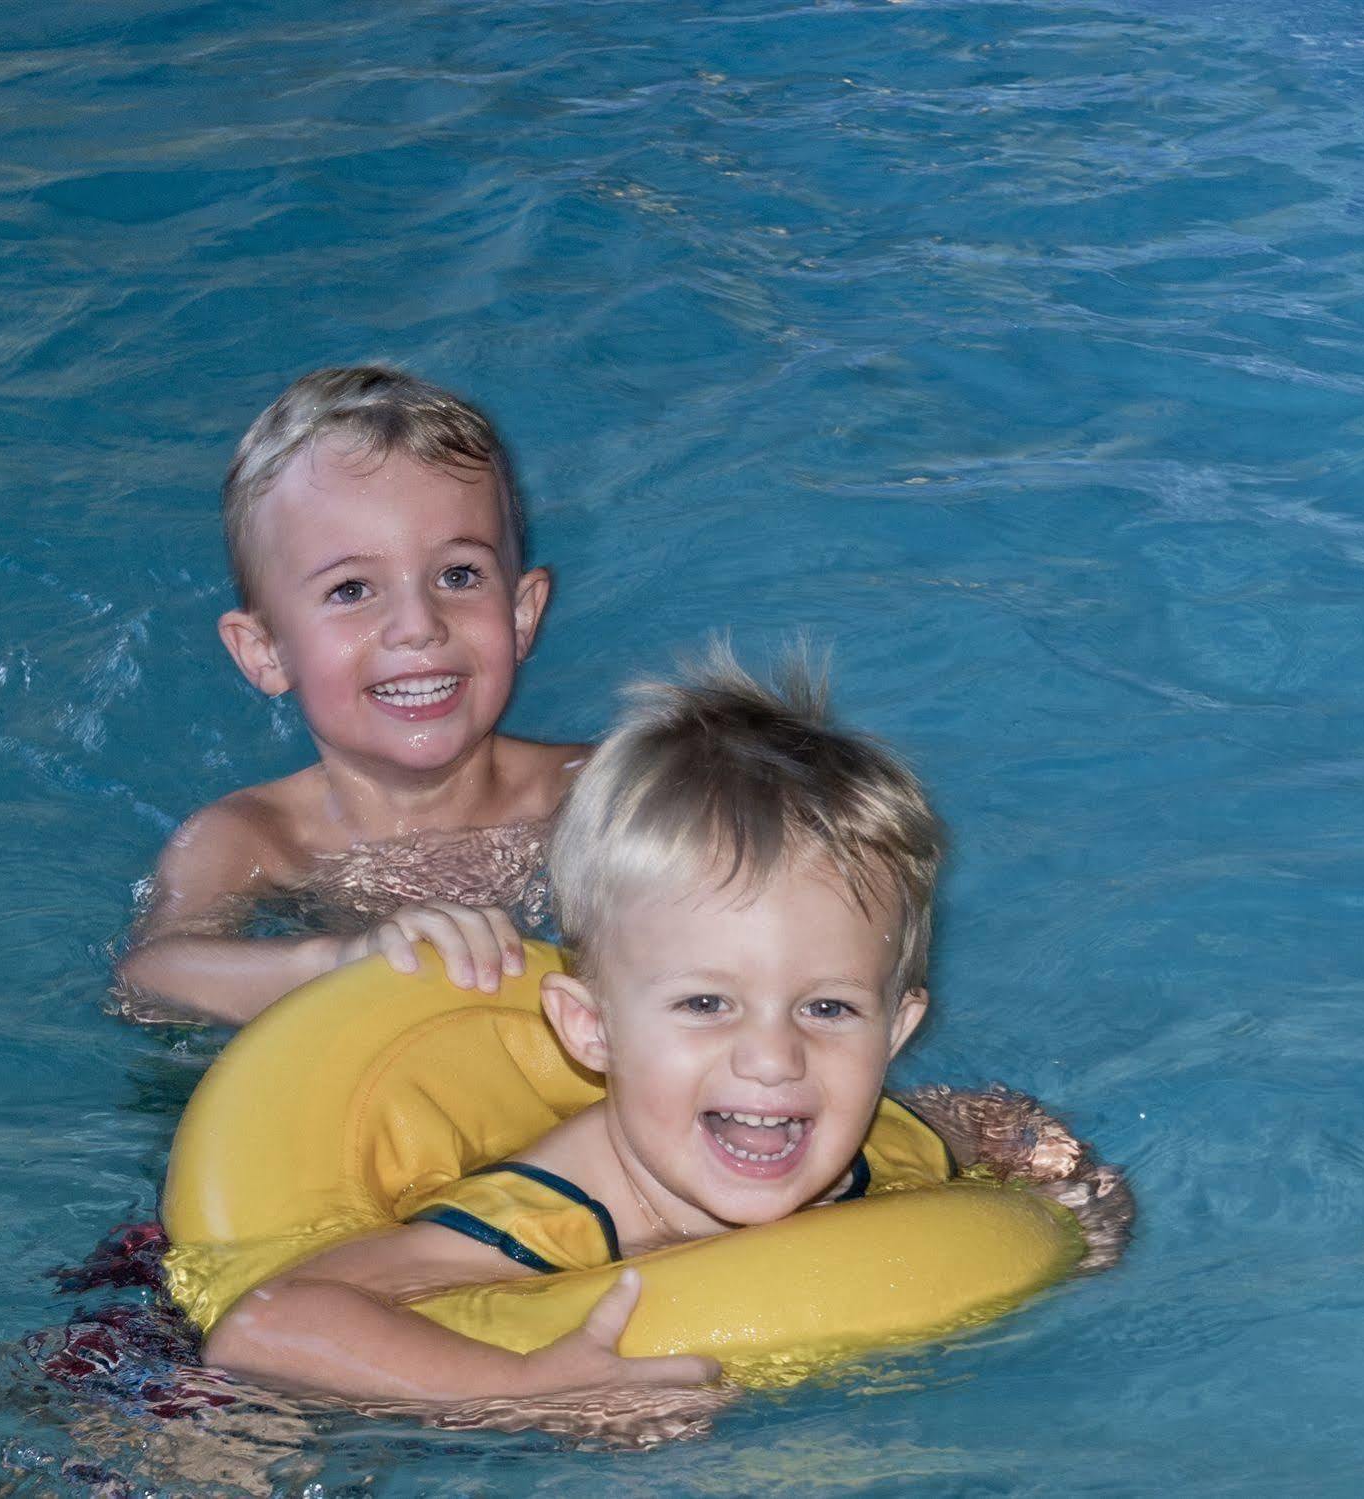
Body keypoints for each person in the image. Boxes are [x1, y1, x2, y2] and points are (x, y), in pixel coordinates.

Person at [198, 650, 1133, 1408]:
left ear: (897, 1028)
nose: (773, 1059)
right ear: (589, 1028)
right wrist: (528, 1384)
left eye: (828, 1007)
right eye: (705, 1002)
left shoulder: (874, 1140)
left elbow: (989, 1120)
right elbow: (268, 1326)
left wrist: (1076, 1188)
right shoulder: (531, 1222)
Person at [117, 366, 581, 1025]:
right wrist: (334, 963)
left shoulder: (593, 796)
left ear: (520, 613)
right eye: (351, 590)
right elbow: (148, 977)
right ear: (266, 651)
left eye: (458, 574)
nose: (418, 624)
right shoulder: (257, 838)